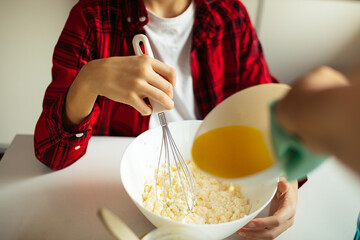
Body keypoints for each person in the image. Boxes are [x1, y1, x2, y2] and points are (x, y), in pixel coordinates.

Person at [34, 0, 298, 238]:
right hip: (111, 194)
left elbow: (269, 109)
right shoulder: (92, 18)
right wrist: (87, 81)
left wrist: (288, 169)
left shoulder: (229, 15)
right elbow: (51, 153)